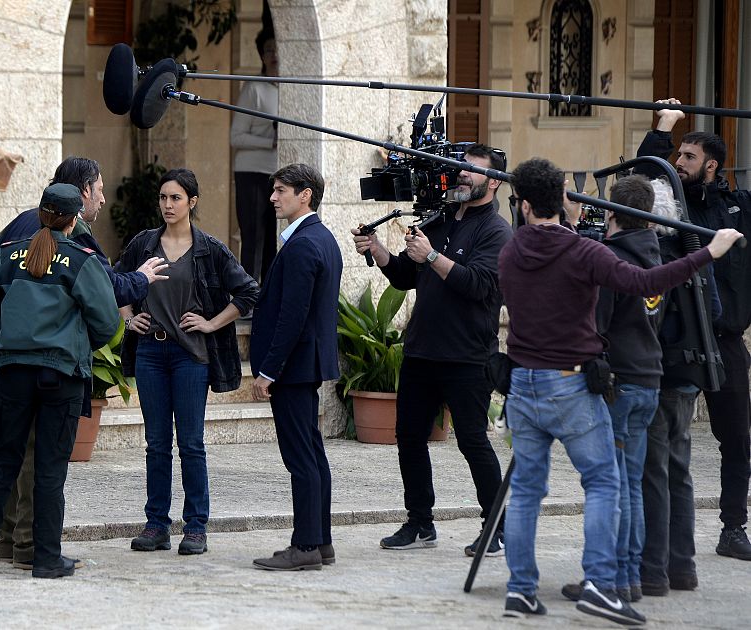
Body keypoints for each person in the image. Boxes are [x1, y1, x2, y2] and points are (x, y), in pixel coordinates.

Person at [498, 157, 742, 624]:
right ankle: (600, 584)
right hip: (569, 384)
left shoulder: (510, 251)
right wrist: (710, 252)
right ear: (566, 201)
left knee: (528, 492)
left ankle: (521, 591)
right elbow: (645, 281)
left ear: (524, 205)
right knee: (606, 482)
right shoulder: (582, 252)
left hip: (523, 385)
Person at [0, 157, 160, 570]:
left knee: (2, 459)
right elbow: (107, 311)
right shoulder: (80, 247)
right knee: (43, 463)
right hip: (54, 369)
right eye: (100, 189)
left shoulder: (15, 234)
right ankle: (34, 551)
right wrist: (75, 339)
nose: (104, 198)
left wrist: (14, 327)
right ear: (80, 201)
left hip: (3, 363)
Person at [351, 144, 511, 555]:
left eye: (471, 170)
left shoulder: (497, 231)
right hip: (422, 350)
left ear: (493, 181)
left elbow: (480, 285)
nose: (461, 175)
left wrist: (434, 256)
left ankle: (497, 527)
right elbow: (408, 276)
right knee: (408, 437)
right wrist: (379, 251)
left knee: (473, 441)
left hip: (467, 355)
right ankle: (420, 523)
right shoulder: (438, 219)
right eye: (459, 167)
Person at [0, 183, 120, 578]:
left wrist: (16, 339)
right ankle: (46, 558)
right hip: (59, 376)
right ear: (74, 218)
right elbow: (108, 321)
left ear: (42, 212)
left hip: (12, 374)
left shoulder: (9, 255)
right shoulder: (81, 260)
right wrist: (76, 339)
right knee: (49, 467)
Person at [116, 169, 258, 556]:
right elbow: (114, 280)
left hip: (190, 356)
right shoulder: (144, 243)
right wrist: (129, 318)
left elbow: (248, 291)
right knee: (156, 443)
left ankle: (196, 527)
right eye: (163, 198)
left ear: (192, 202)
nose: (167, 205)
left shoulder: (209, 248)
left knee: (191, 444)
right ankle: (156, 525)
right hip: (150, 353)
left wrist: (212, 323)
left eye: (175, 198)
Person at [636, 100, 751, 562]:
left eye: (687, 156)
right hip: (678, 343)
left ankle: (733, 527)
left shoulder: (739, 208)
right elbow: (643, 175)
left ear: (712, 166)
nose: (677, 162)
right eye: (676, 154)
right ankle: (660, 539)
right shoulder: (669, 205)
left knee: (737, 438)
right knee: (664, 442)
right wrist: (665, 125)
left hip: (725, 342)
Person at [560, 175, 664, 604]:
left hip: (618, 384)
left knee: (613, 487)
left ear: (611, 214)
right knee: (632, 484)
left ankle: (613, 580)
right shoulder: (657, 257)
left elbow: (594, 328)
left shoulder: (612, 261)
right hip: (648, 379)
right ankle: (631, 576)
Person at [250, 163, 342, 571]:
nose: (273, 197)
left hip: (293, 368)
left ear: (305, 194)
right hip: (305, 365)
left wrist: (269, 370)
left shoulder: (306, 243)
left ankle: (305, 546)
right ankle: (319, 542)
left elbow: (293, 315)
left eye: (281, 190)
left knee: (301, 458)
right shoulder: (320, 238)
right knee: (312, 454)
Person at [640, 178, 722, 595]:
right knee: (679, 473)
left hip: (660, 377)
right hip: (689, 378)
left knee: (653, 474)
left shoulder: (654, 258)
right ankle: (683, 567)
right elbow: (715, 311)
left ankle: (653, 570)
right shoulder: (694, 256)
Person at [230, 29, 279, 284]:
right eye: (268, 50)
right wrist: (269, 141)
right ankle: (247, 296)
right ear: (261, 55)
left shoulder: (292, 88)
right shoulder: (254, 88)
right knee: (253, 237)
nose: (274, 55)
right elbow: (235, 137)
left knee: (275, 237)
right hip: (251, 172)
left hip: (279, 175)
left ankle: (268, 295)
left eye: (278, 48)